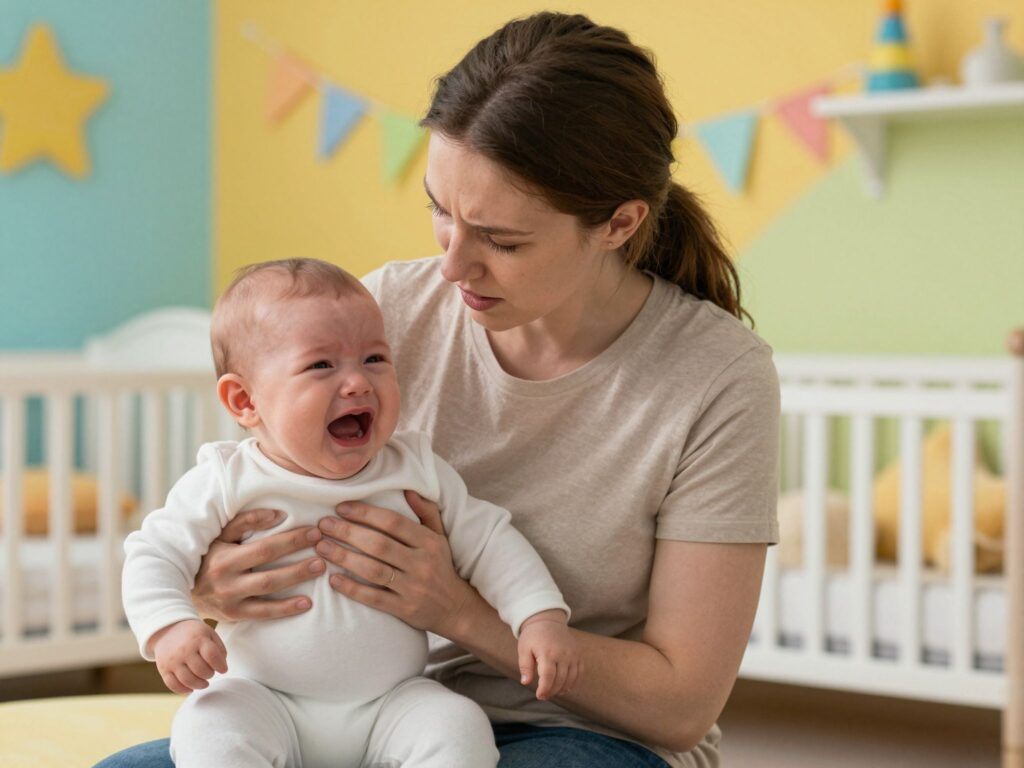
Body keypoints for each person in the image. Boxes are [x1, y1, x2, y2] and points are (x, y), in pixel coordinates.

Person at [97, 10, 779, 768]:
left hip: (574, 732)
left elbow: (680, 707)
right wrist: (209, 591)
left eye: (502, 239)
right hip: (333, 716)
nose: (453, 267)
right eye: (439, 211)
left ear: (618, 224)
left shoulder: (716, 376)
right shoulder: (379, 317)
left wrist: (457, 608)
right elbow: (242, 493)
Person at [120, 259, 579, 768]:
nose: (358, 383)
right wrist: (171, 627)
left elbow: (491, 540)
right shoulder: (226, 479)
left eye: (376, 358)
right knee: (210, 725)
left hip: (391, 701)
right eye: (321, 366)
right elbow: (152, 553)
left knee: (458, 726)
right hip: (262, 697)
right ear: (245, 400)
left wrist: (539, 616)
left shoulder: (415, 469)